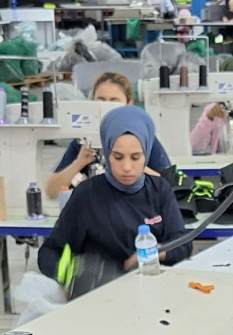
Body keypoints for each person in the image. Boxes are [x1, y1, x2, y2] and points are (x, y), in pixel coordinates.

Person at [40, 106, 193, 286]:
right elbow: (48, 253)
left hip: (151, 289)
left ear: (147, 154)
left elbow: (184, 245)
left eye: (135, 157)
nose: (127, 167)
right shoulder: (87, 195)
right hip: (99, 295)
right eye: (118, 157)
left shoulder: (160, 190)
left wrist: (159, 251)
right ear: (106, 152)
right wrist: (71, 276)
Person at [46, 72, 174, 198]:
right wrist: (79, 163)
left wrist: (134, 163)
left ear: (129, 104)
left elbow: (170, 186)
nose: (105, 107)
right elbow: (52, 192)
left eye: (113, 102)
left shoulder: (143, 139)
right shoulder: (84, 141)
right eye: (100, 100)